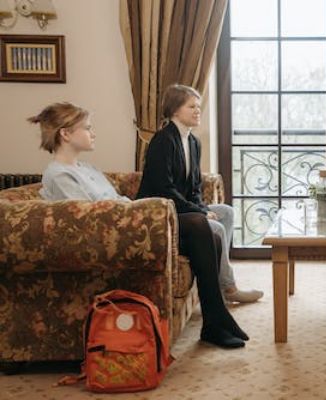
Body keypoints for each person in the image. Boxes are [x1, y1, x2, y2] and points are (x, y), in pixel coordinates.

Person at [31, 102, 248, 349]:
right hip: (114, 239)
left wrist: (139, 211)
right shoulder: (60, 175)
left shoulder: (86, 168)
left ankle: (214, 322)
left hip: (130, 227)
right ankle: (216, 320)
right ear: (66, 134)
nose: (93, 133)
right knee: (199, 223)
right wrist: (140, 212)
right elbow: (87, 220)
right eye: (87, 128)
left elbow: (113, 201)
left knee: (212, 236)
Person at [136, 84, 263, 304]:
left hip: (184, 209)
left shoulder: (193, 142)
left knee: (226, 212)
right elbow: (164, 189)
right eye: (191, 106)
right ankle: (229, 287)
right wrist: (200, 212)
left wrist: (202, 208)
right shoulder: (162, 140)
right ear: (175, 110)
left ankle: (219, 279)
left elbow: (194, 187)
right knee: (216, 227)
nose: (197, 111)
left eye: (198, 106)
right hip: (160, 213)